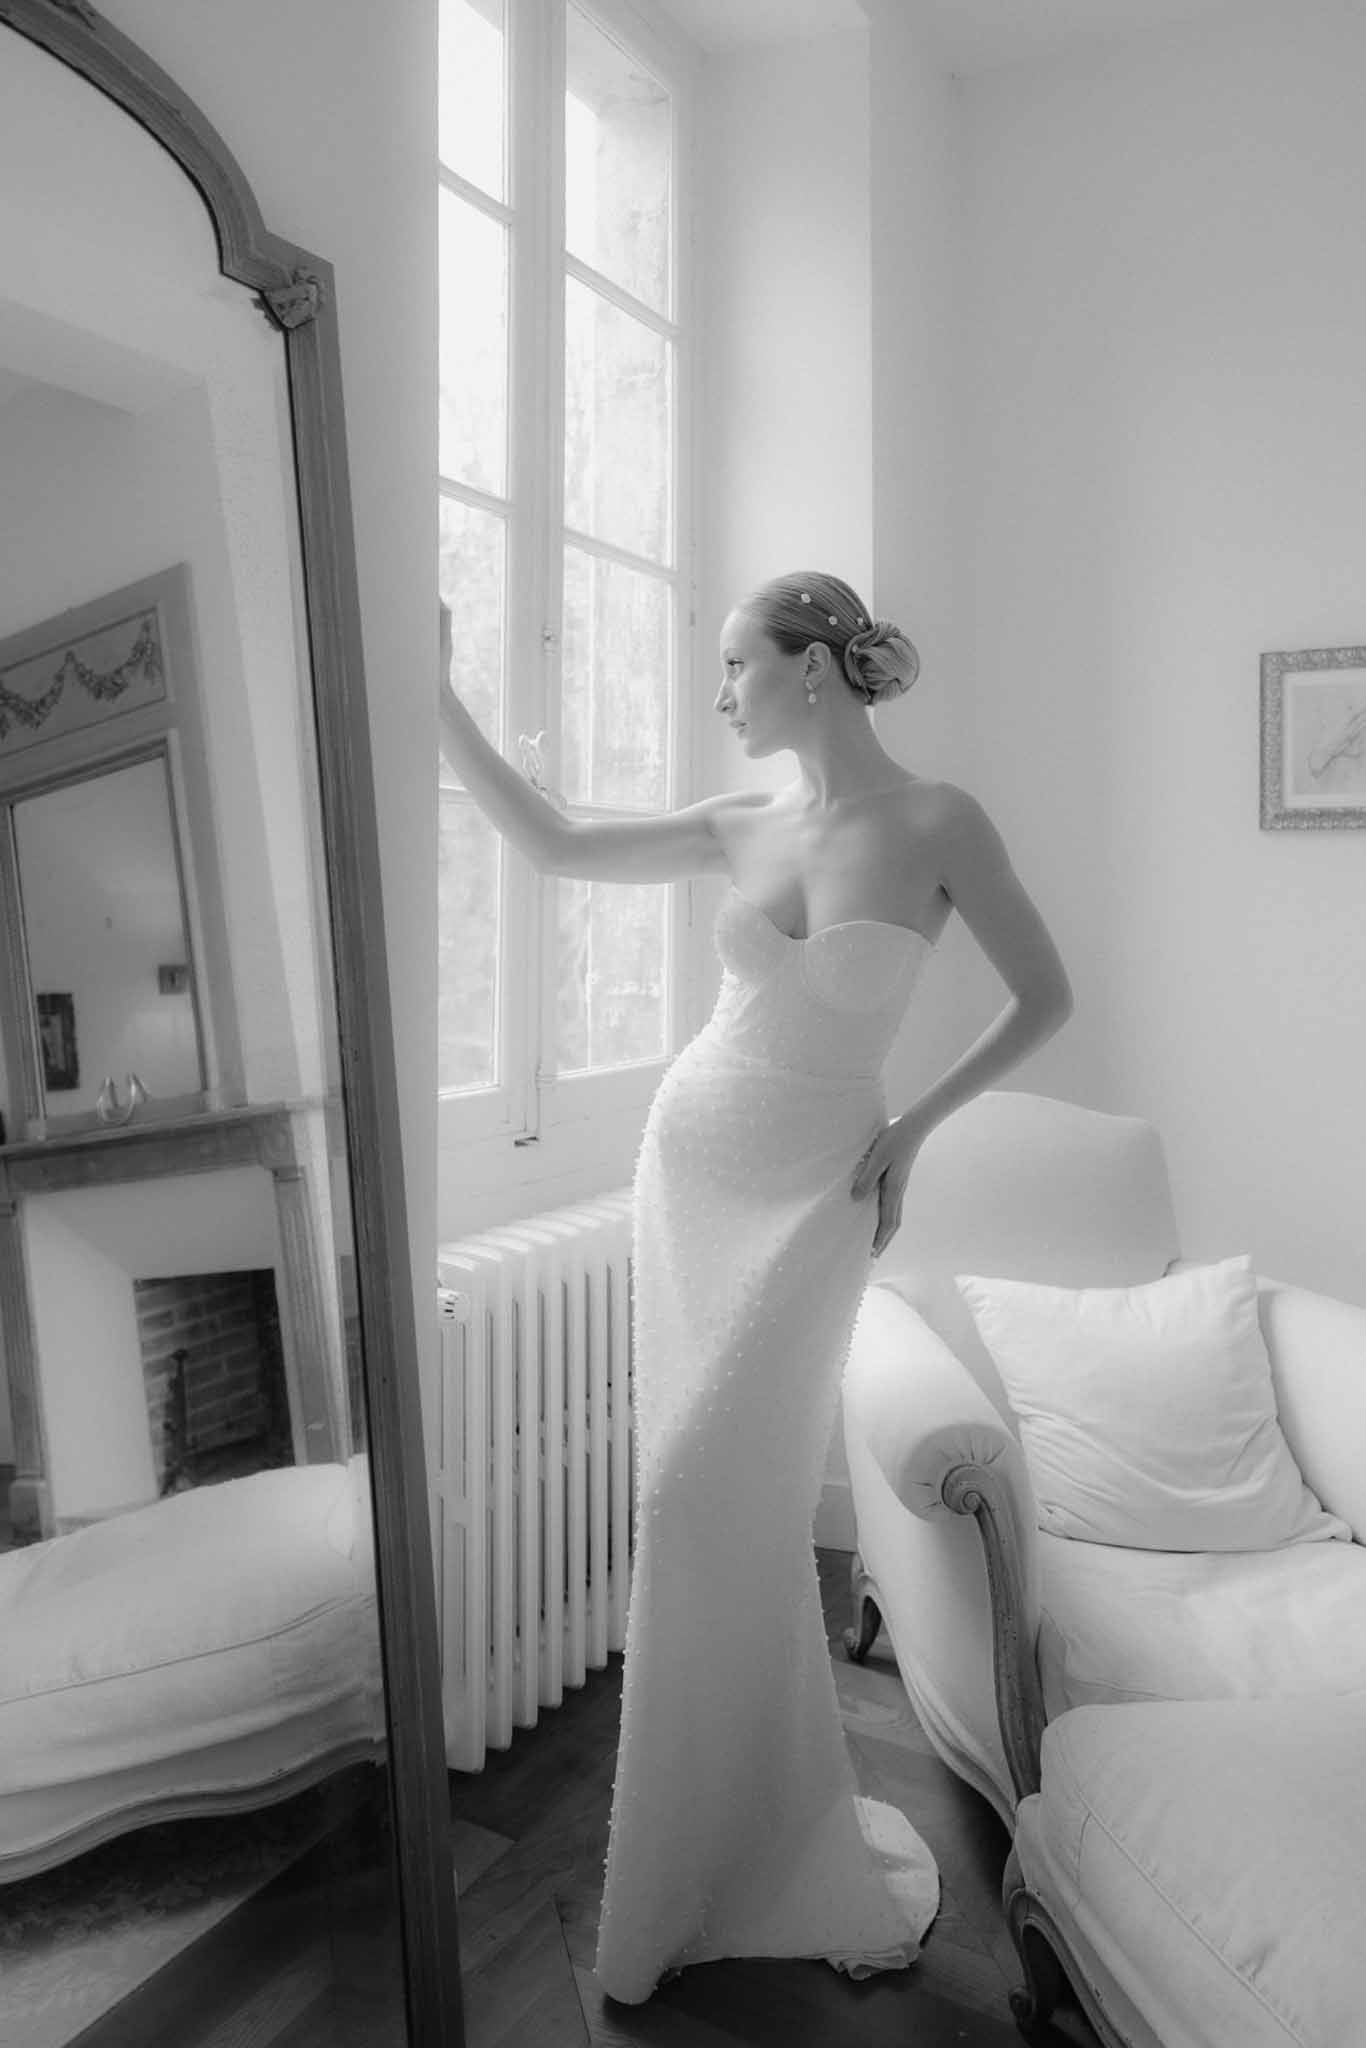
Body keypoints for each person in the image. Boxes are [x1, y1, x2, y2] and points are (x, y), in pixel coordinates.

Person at [437, 569, 1073, 2005]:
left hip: (814, 1192)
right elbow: (549, 840)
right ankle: (710, 1847)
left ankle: (749, 1838)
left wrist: (911, 1131)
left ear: (814, 669)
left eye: (734, 665)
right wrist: (436, 698)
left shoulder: (936, 821)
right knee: (695, 1505)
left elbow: (1047, 998)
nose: (719, 694)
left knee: (697, 1490)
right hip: (694, 1167)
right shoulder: (737, 822)